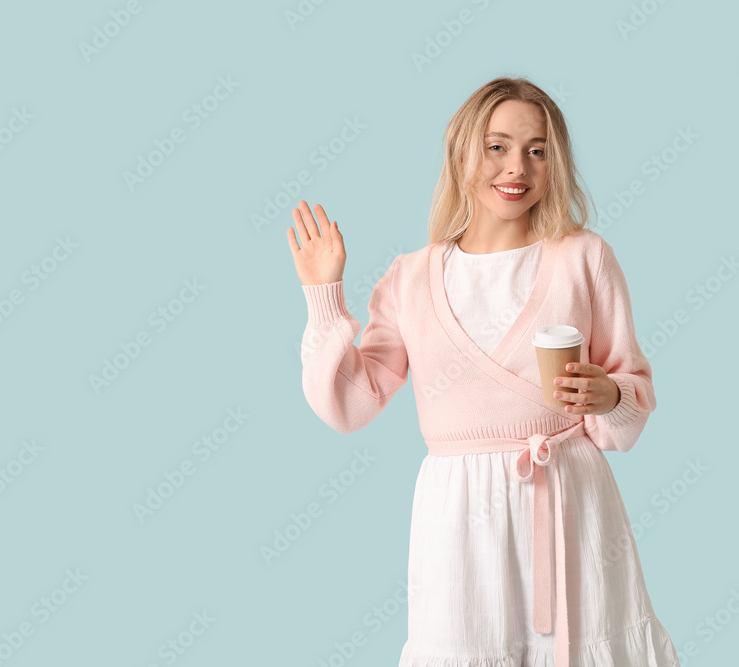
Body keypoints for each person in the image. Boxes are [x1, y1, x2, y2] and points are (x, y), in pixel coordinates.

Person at [286, 76, 680, 667]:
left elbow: (628, 412)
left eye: (537, 149)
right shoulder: (410, 278)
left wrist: (610, 396)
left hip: (569, 500)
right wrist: (323, 294)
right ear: (462, 152)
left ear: (556, 162)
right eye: (497, 146)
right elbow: (352, 405)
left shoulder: (583, 257)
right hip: (458, 520)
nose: (516, 166)